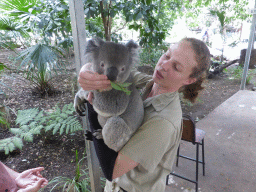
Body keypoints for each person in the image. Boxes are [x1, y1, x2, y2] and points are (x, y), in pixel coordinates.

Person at [77, 37, 210, 192]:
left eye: (176, 67)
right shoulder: (150, 83)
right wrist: (86, 72)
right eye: (167, 55)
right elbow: (113, 66)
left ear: (189, 80)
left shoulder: (164, 123)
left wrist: (93, 107)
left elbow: (111, 169)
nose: (164, 65)